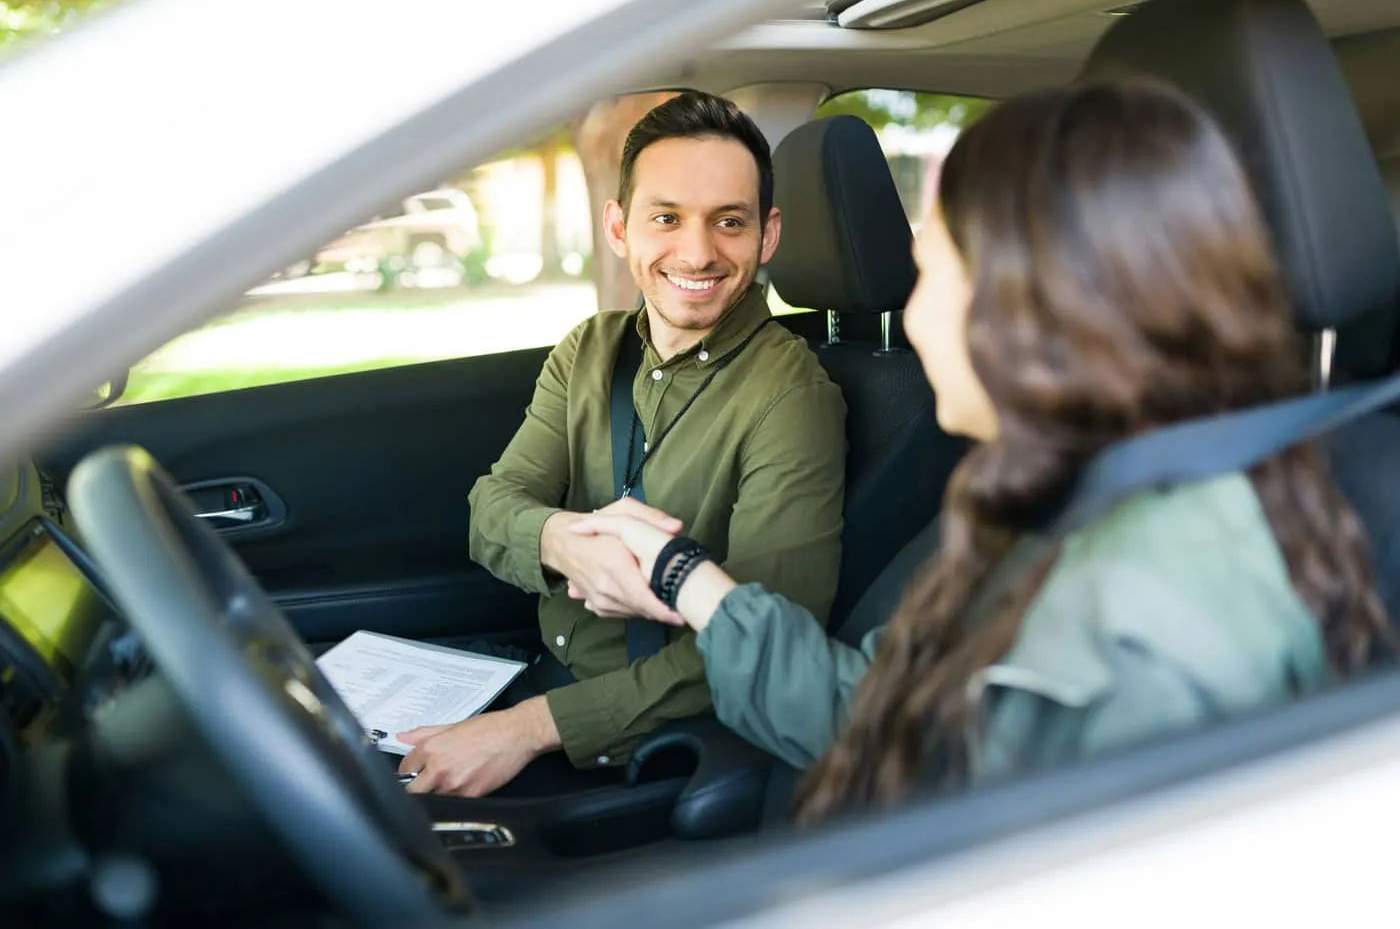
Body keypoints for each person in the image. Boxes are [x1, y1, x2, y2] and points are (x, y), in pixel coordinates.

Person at [566, 79, 1392, 824]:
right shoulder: (1071, 500)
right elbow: (883, 712)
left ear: (1030, 307)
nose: (916, 321)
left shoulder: (1146, 618)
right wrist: (680, 571)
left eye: (936, 275)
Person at [397, 91, 847, 798]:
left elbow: (755, 646)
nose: (698, 252)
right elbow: (492, 508)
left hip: (646, 743)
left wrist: (529, 728)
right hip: (545, 672)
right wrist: (560, 541)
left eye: (729, 222)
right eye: (666, 218)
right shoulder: (588, 352)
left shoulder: (791, 395)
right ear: (618, 228)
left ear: (768, 235)